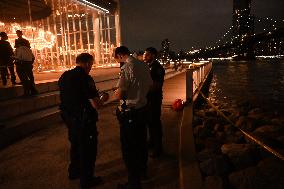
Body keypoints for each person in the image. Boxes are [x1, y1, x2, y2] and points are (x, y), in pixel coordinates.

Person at [59, 53, 107, 189]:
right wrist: (104, 98)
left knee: (75, 145)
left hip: (69, 118)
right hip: (84, 120)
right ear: (86, 63)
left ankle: (73, 172)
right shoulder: (86, 78)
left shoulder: (64, 76)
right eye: (91, 64)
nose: (91, 67)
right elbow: (96, 104)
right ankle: (87, 180)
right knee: (88, 150)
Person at [114, 46, 152, 189]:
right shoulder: (143, 65)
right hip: (142, 109)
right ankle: (143, 172)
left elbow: (120, 94)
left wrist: (115, 93)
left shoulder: (126, 67)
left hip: (130, 112)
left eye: (116, 58)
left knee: (129, 148)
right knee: (142, 143)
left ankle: (133, 182)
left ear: (119, 55)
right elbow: (149, 85)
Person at [143, 47, 165, 158]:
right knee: (149, 122)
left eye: (146, 55)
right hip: (147, 99)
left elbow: (157, 86)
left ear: (153, 55)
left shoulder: (157, 68)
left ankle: (158, 148)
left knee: (155, 123)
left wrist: (141, 88)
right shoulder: (148, 67)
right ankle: (151, 142)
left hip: (154, 99)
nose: (144, 56)